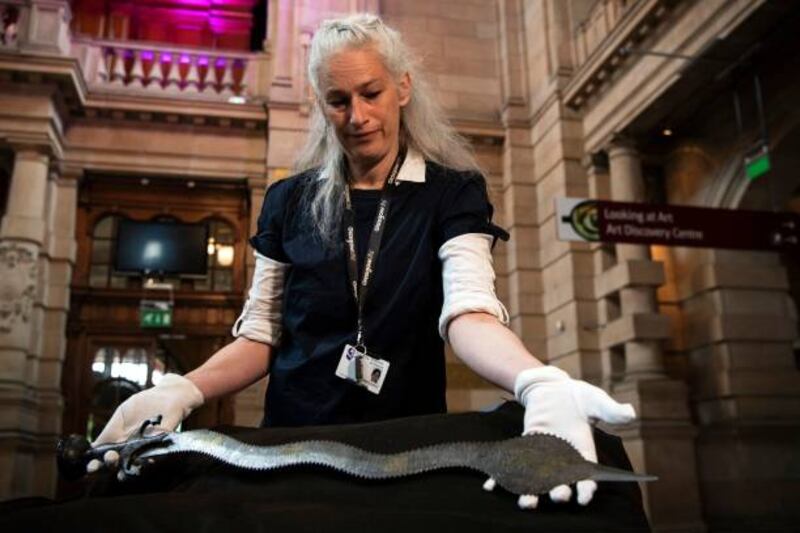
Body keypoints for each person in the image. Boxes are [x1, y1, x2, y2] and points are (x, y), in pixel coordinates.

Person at [89, 14, 636, 510]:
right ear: (319, 103)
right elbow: (260, 335)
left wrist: (535, 380)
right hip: (292, 442)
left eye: (371, 93)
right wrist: (184, 388)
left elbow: (469, 313)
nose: (357, 117)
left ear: (402, 87)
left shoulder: (452, 193)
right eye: (338, 100)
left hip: (408, 444)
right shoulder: (288, 200)